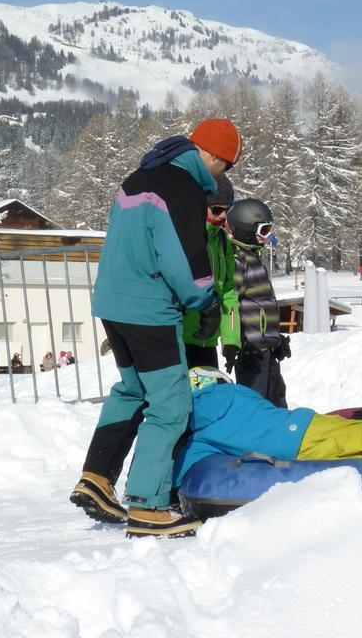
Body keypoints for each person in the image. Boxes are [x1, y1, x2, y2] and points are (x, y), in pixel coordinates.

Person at [70, 117, 242, 539]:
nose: (223, 175)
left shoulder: (139, 177)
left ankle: (96, 478)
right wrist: (203, 299)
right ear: (215, 156)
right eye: (228, 166)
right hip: (149, 308)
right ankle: (148, 506)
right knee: (170, 404)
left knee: (132, 390)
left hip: (113, 301)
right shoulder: (181, 186)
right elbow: (182, 255)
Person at [173, 367, 362, 505]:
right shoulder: (235, 393)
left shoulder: (196, 431)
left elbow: (184, 470)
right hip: (302, 428)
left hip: (299, 439)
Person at [226, 198, 290, 407]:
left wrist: (275, 338)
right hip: (251, 349)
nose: (267, 237)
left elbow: (260, 306)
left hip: (266, 347)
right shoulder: (238, 260)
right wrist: (234, 342)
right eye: (264, 230)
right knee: (255, 402)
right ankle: (255, 438)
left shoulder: (253, 258)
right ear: (245, 229)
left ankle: (279, 435)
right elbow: (231, 304)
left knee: (276, 396)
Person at [181, 175, 239, 371]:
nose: (223, 216)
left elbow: (229, 292)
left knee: (211, 397)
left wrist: (231, 339)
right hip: (183, 341)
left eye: (227, 210)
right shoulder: (184, 236)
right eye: (216, 209)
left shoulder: (223, 241)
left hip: (209, 343)